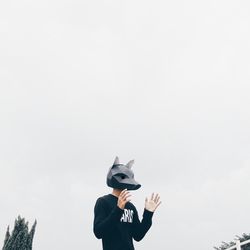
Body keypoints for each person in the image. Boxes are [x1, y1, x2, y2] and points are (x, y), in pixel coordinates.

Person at [93, 156, 161, 250]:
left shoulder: (130, 207)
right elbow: (98, 232)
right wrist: (118, 210)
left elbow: (138, 235)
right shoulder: (103, 202)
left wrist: (148, 214)